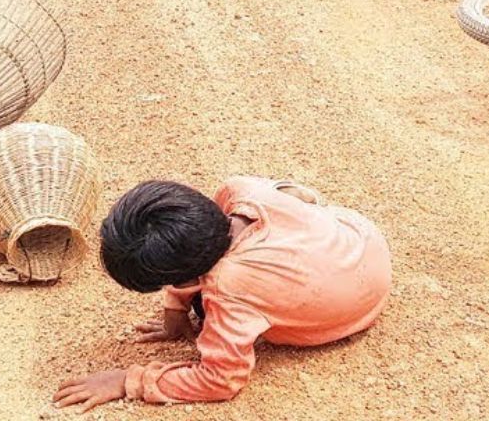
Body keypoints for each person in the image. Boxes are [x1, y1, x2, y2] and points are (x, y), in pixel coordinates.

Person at [54, 175, 391, 412]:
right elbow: (194, 254)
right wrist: (175, 307)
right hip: (362, 242)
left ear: (189, 279)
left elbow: (220, 379)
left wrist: (130, 380)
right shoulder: (238, 191)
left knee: (207, 307)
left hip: (353, 311)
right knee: (291, 199)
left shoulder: (227, 287)